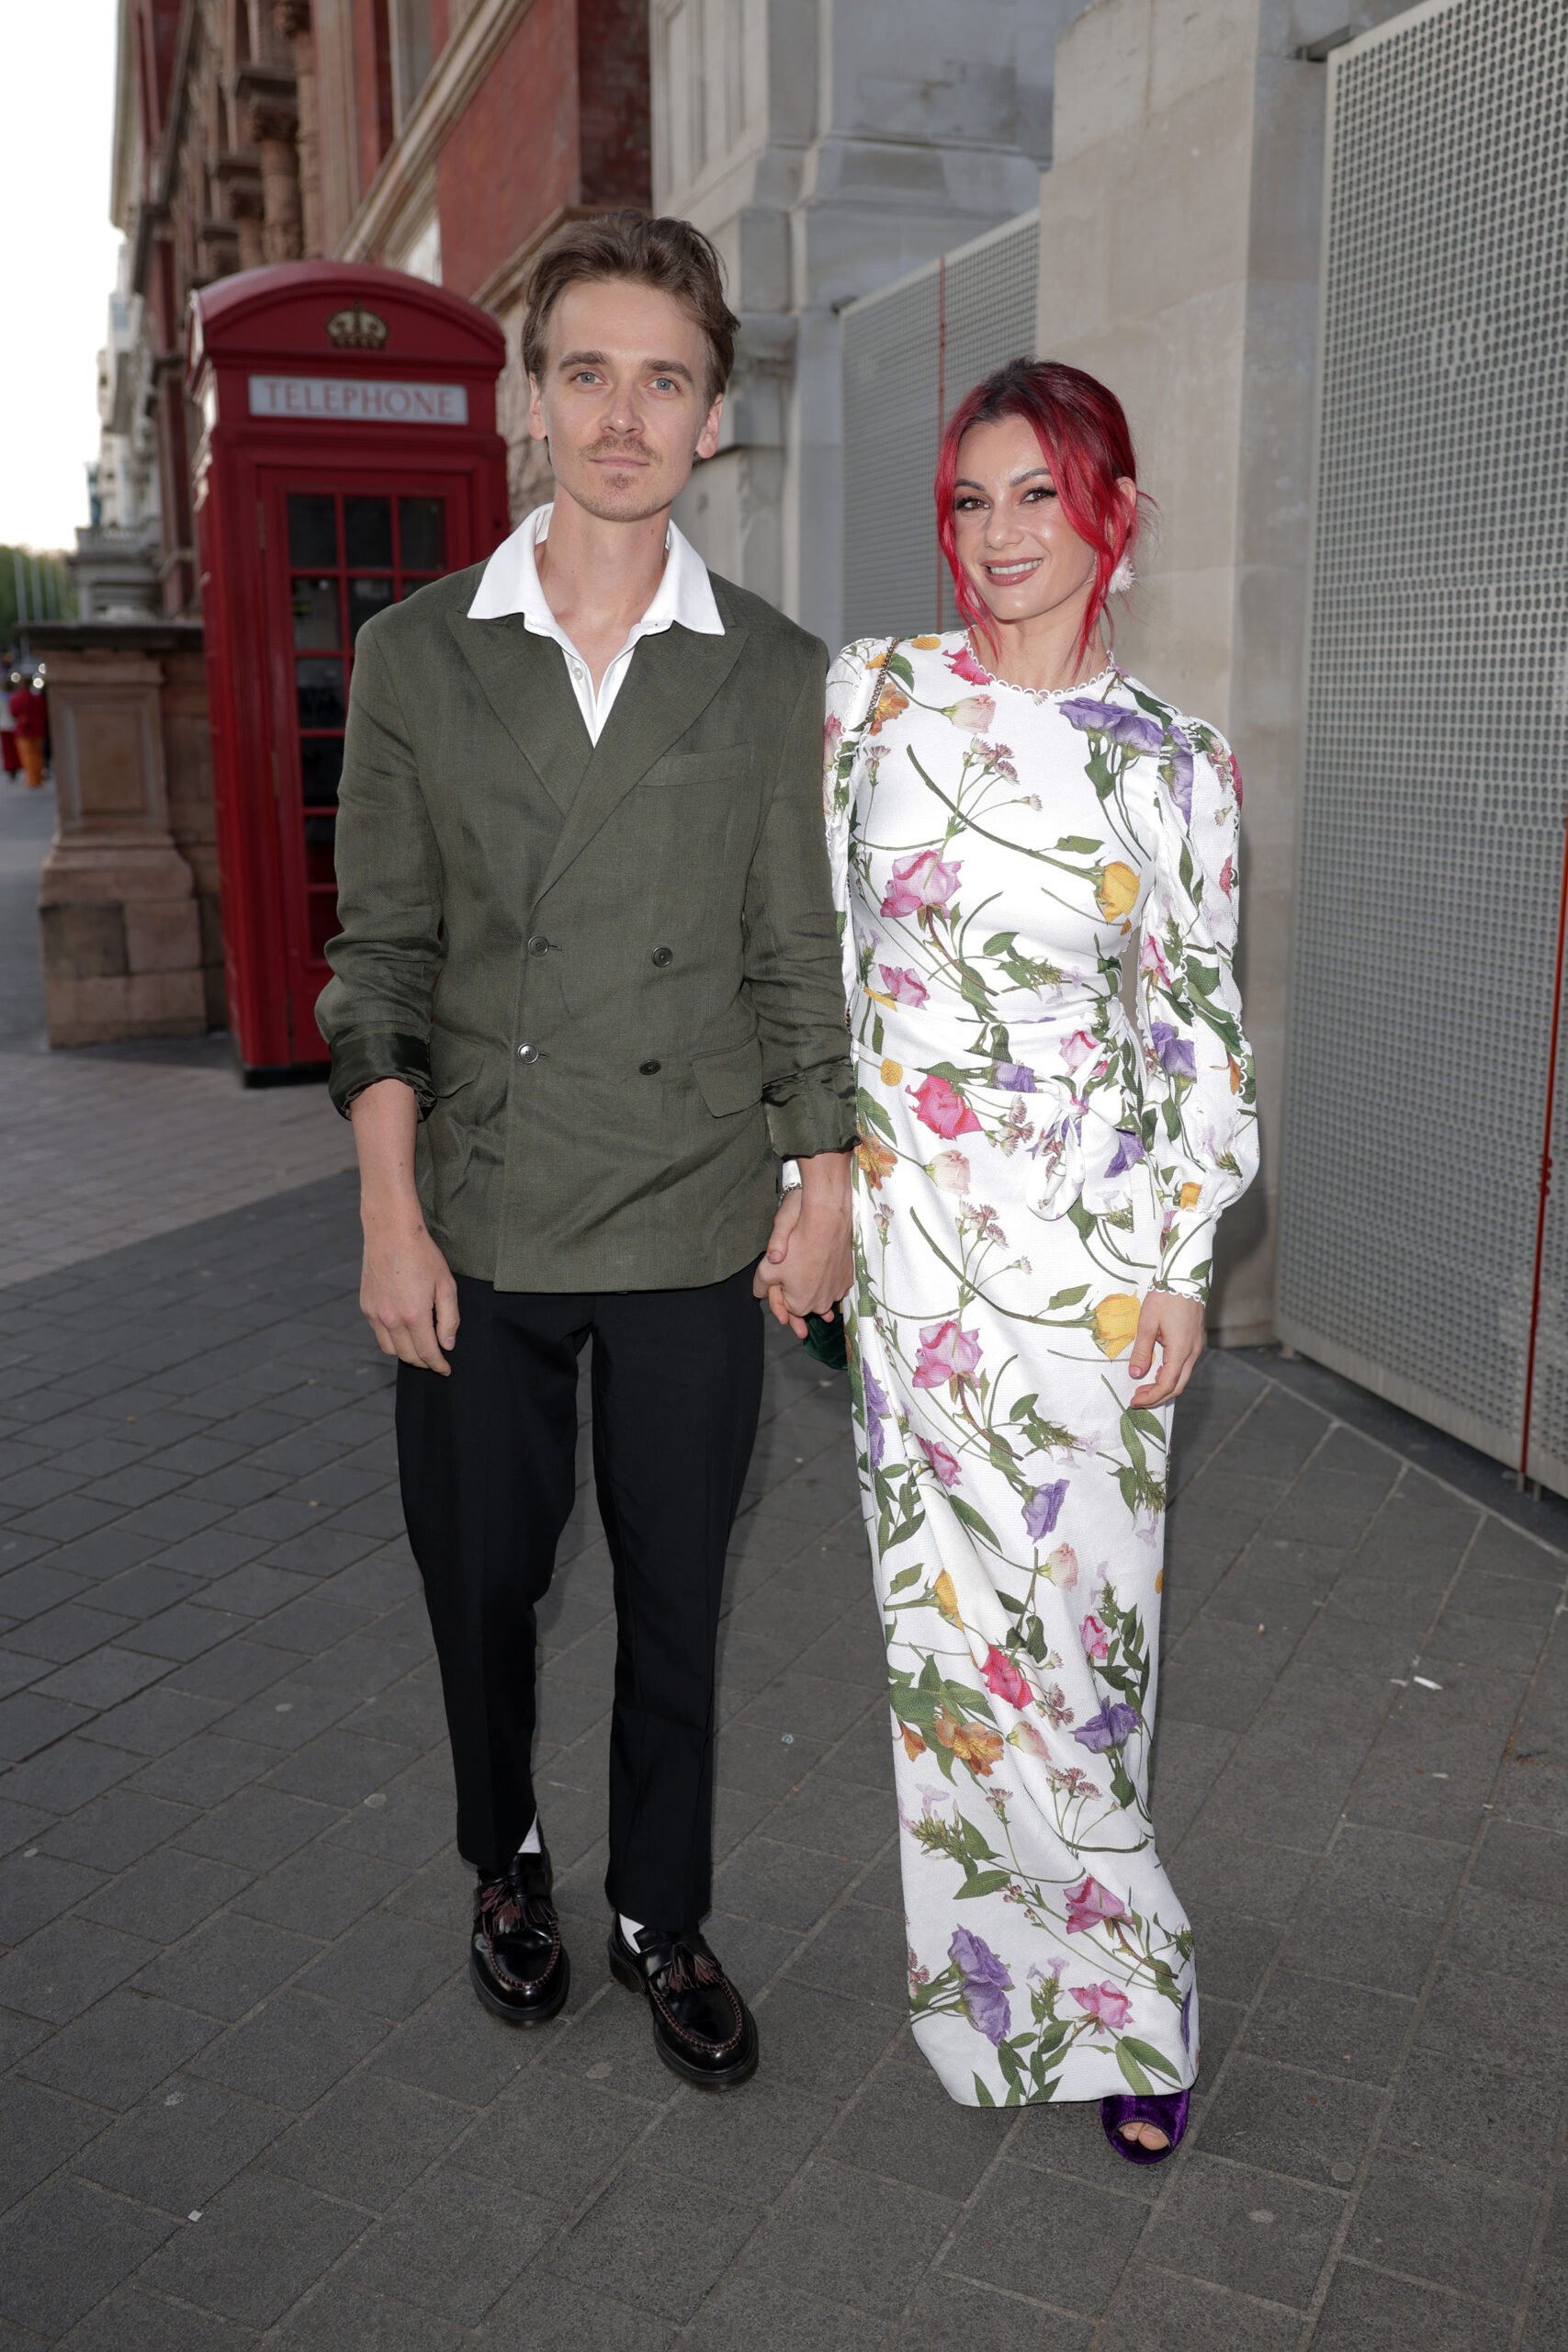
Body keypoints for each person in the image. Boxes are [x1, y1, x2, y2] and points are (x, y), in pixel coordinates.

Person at [319, 211, 855, 2090]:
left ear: (716, 420)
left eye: (666, 378)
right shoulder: (417, 656)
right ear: (528, 397)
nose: (624, 414)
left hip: (697, 1209)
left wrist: (827, 1181)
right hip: (477, 1215)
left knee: (676, 1589)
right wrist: (389, 1215)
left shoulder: (772, 666)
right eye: (587, 371)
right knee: (479, 1579)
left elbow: (796, 953)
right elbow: (377, 958)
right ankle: (506, 1863)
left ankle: (659, 1905)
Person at [786, 357, 1256, 2157]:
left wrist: (1182, 1268)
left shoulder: (1173, 764)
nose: (995, 535)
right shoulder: (874, 700)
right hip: (912, 1277)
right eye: (969, 500)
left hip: (1082, 1281)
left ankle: (1127, 2000)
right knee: (947, 1662)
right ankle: (990, 1999)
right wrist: (807, 1184)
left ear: (1104, 506)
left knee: (1085, 1655)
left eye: (1033, 496)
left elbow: (1193, 1037)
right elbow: (811, 961)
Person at [9, 671, 47, 788]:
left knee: (27, 755)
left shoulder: (16, 698)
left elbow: (13, 712)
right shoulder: (37, 698)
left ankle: (32, 778)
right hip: (37, 729)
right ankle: (39, 776)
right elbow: (44, 712)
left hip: (23, 729)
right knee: (38, 753)